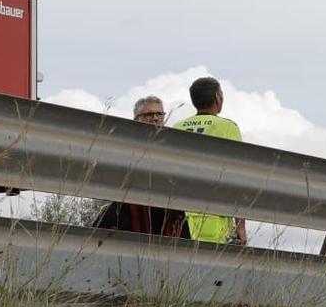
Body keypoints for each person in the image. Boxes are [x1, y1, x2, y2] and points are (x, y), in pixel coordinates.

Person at [95, 96, 187, 237]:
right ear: (136, 119)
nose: (155, 118)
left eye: (159, 114)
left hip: (166, 210)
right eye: (149, 114)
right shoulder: (125, 144)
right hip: (133, 208)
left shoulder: (173, 146)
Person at [174, 76, 248, 245]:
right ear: (217, 97)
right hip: (214, 215)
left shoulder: (177, 127)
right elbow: (238, 177)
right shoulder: (227, 127)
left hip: (180, 215)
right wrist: (241, 225)